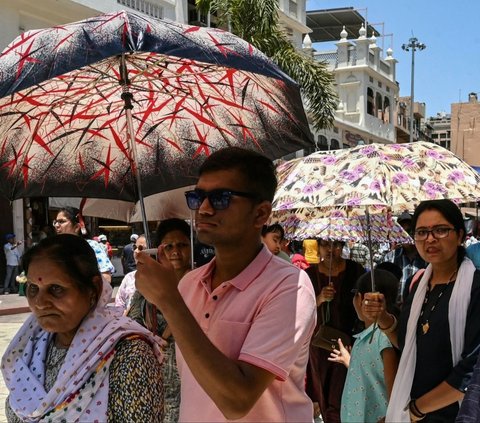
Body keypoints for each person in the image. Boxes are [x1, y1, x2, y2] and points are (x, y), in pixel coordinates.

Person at [135, 147, 317, 422]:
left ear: (260, 214)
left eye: (221, 198)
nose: (204, 209)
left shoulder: (289, 287)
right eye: (198, 197)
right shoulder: (189, 284)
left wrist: (169, 302)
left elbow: (237, 401)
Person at [1, 234, 164, 422]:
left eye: (56, 288)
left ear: (92, 288)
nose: (40, 303)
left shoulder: (129, 355)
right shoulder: (28, 346)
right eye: (33, 288)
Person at [364, 199, 480, 422]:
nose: (430, 239)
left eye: (441, 230)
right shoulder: (418, 286)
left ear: (459, 235)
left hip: (455, 414)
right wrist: (384, 319)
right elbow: (410, 345)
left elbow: (472, 369)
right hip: (412, 408)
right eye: (422, 232)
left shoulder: (474, 289)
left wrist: (416, 411)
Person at [129, 218, 192, 423]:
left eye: (182, 245)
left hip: (189, 372)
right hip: (153, 373)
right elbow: (131, 323)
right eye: (168, 246)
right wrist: (147, 336)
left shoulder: (200, 284)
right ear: (158, 249)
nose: (175, 251)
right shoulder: (147, 285)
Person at [305, 238, 365, 423]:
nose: (330, 250)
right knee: (322, 388)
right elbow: (300, 308)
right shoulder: (309, 274)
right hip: (318, 343)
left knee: (343, 389)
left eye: (336, 245)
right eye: (325, 245)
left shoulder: (356, 271)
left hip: (348, 341)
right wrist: (320, 298)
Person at [328, 269, 399, 422]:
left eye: (355, 294)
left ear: (362, 299)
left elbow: (394, 396)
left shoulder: (384, 338)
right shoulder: (366, 337)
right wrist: (350, 362)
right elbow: (372, 374)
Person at [53, 207, 114, 283]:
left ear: (76, 227)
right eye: (55, 222)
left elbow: (106, 278)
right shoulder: (53, 249)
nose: (56, 225)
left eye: (61, 221)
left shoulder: (91, 246)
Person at [384, 211, 427, 305]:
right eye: (403, 231)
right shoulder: (389, 259)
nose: (407, 235)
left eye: (410, 231)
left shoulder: (428, 259)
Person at [115, 234, 147, 312]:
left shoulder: (161, 279)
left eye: (141, 248)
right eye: (135, 248)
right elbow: (119, 303)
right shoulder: (129, 277)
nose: (136, 251)